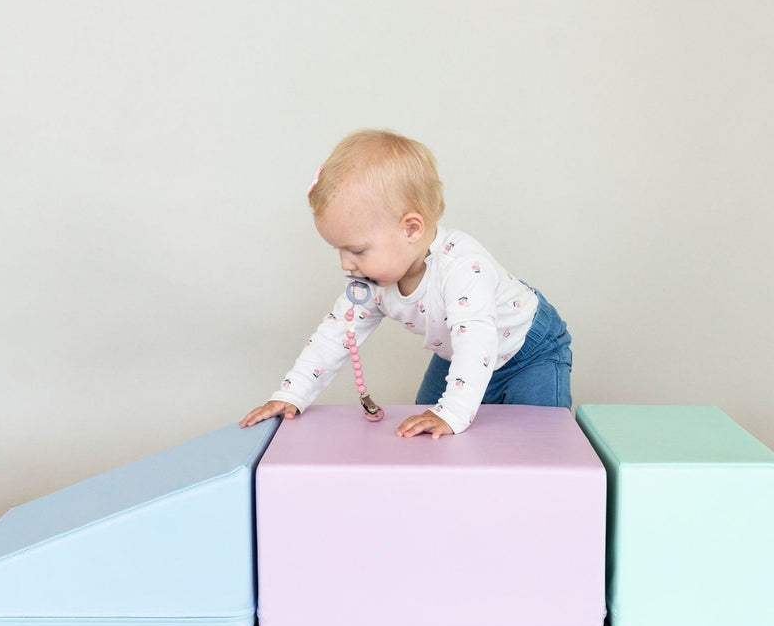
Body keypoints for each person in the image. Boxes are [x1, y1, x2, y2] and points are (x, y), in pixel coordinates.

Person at [239, 130, 572, 438]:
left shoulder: (461, 267)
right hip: (458, 352)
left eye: (356, 250)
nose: (345, 263)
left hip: (529, 352)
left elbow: (477, 343)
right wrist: (292, 393)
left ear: (411, 229)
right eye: (338, 250)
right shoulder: (375, 280)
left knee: (540, 438)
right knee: (424, 424)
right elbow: (337, 332)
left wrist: (453, 411)